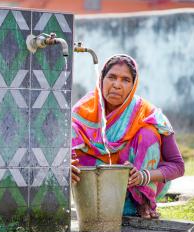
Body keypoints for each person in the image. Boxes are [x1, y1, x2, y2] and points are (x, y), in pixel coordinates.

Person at [71, 54, 184, 219]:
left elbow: (178, 166)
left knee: (148, 134)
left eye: (125, 80)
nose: (117, 85)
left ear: (133, 85)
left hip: (137, 183)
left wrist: (143, 176)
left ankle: (142, 203)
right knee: (73, 137)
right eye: (111, 77)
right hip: (96, 192)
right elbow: (57, 155)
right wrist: (65, 167)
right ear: (101, 79)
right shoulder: (83, 111)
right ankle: (96, 204)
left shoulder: (147, 114)